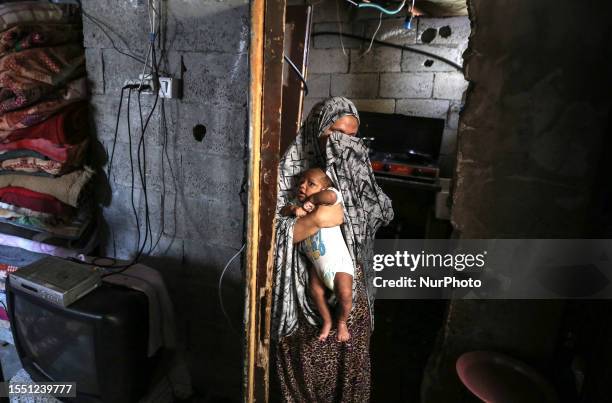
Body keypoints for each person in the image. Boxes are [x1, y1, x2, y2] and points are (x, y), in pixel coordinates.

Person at [272, 97, 394, 402]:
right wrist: (317, 218)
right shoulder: (290, 174)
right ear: (317, 131)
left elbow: (381, 213)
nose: (342, 143)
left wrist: (331, 211)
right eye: (334, 134)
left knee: (350, 359)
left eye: (351, 137)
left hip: (347, 278)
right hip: (303, 287)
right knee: (308, 362)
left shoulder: (352, 172)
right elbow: (272, 232)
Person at [280, 167, 354, 342]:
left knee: (345, 293)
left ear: (323, 189)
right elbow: (283, 211)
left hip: (338, 264)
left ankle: (342, 322)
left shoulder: (328, 200)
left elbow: (331, 196)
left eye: (310, 184)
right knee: (316, 291)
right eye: (301, 183)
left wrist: (313, 199)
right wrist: (293, 210)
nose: (302, 186)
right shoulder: (298, 205)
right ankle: (327, 321)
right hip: (317, 267)